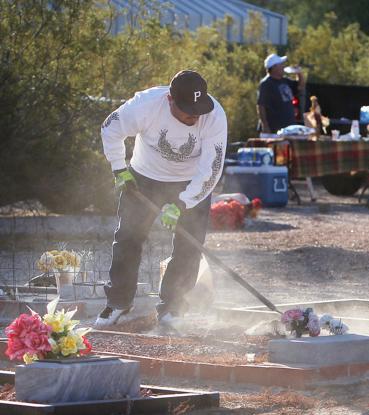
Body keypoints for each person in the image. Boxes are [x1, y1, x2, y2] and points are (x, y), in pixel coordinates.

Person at [98, 70, 227, 330]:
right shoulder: (145, 106)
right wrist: (119, 169)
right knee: (128, 238)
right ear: (170, 100)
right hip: (144, 177)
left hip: (192, 183)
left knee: (189, 246)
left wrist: (183, 203)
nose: (195, 116)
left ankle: (172, 307)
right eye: (188, 110)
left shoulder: (214, 116)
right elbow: (110, 129)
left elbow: (211, 169)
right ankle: (119, 302)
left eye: (198, 109)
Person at [257, 53, 306, 134]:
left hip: (289, 127)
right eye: (281, 64)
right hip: (275, 128)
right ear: (274, 67)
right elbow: (261, 106)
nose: (283, 66)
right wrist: (265, 125)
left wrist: (299, 73)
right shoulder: (266, 84)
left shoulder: (285, 81)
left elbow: (300, 87)